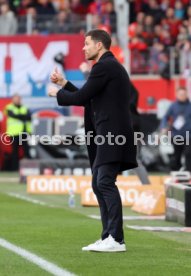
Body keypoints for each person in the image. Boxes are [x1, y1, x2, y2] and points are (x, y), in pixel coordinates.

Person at [49, 29, 137, 252]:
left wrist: (56, 93)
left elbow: (80, 97)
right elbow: (88, 98)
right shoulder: (107, 67)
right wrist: (65, 83)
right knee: (99, 183)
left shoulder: (105, 66)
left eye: (87, 43)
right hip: (108, 135)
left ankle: (116, 240)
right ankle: (108, 235)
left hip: (112, 135)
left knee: (104, 182)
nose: (83, 47)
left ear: (99, 45)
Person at [160, 87, 191, 172]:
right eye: (181, 94)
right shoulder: (173, 106)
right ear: (177, 95)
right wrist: (163, 127)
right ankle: (176, 172)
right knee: (177, 155)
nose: (182, 96)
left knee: (188, 153)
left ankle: (189, 173)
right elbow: (165, 117)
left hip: (189, 135)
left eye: (184, 94)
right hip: (176, 135)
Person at [4, 94, 31, 171]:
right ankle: (15, 169)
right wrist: (23, 116)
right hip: (14, 133)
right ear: (12, 99)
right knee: (15, 152)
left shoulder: (24, 107)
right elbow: (13, 115)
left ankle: (28, 169)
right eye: (16, 99)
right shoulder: (9, 107)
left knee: (26, 151)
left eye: (19, 98)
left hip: (24, 133)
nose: (17, 100)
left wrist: (20, 116)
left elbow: (29, 117)